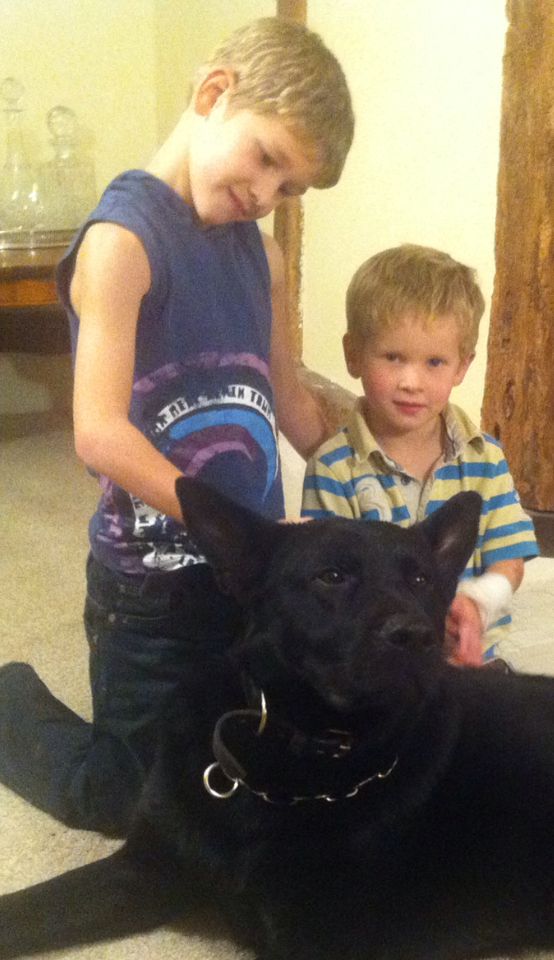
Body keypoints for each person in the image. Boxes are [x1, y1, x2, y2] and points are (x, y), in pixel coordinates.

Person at [0, 17, 354, 837]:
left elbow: (291, 400)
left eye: (289, 187)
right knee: (137, 802)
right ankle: (8, 704)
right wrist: (238, 528)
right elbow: (98, 433)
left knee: (266, 760)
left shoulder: (262, 258)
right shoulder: (122, 243)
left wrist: (382, 458)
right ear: (213, 93)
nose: (266, 195)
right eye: (266, 157)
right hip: (149, 592)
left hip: (249, 578)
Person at [301, 245, 538, 667]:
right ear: (353, 354)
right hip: (376, 668)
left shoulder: (484, 457)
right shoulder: (333, 469)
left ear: (461, 367)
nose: (411, 382)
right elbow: (330, 585)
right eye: (393, 357)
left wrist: (476, 604)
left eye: (434, 362)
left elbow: (509, 560)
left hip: (474, 665)